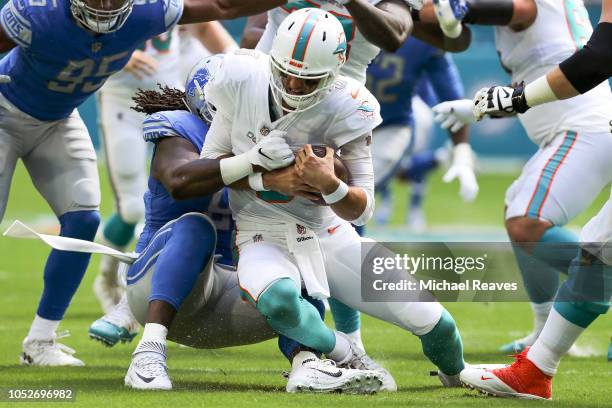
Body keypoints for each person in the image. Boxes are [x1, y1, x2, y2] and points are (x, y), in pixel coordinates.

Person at [0, 0, 312, 367]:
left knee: (83, 219)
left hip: (58, 119)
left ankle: (39, 341)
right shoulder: (38, 12)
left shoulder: (148, 11)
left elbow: (224, 6)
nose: (104, 5)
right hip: (5, 111)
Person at [200, 8, 470, 391]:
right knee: (278, 302)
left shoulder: (350, 103)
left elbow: (364, 205)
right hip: (261, 232)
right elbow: (210, 169)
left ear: (332, 75)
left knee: (437, 324)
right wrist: (265, 175)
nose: (292, 86)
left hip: (328, 231)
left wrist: (330, 185)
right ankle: (347, 352)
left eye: (306, 80)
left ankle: (459, 377)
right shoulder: (242, 77)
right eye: (286, 73)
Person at [88, 54, 382, 392]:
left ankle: (308, 363)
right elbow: (180, 179)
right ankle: (148, 352)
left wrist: (324, 178)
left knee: (299, 255)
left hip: (229, 293)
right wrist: (250, 163)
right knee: (196, 227)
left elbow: (336, 207)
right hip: (158, 286)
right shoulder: (181, 129)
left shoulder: (275, 132)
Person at [430, 0, 612, 399]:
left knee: (532, 224)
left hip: (581, 128)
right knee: (575, 241)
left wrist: (457, 8)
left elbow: (527, 14)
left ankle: (539, 359)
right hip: (574, 126)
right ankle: (539, 351)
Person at [94, 22, 237, 317]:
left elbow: (208, 24)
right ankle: (113, 281)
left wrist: (241, 61)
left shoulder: (347, 104)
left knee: (346, 220)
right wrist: (116, 55)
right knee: (134, 208)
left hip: (166, 94)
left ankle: (349, 335)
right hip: (125, 100)